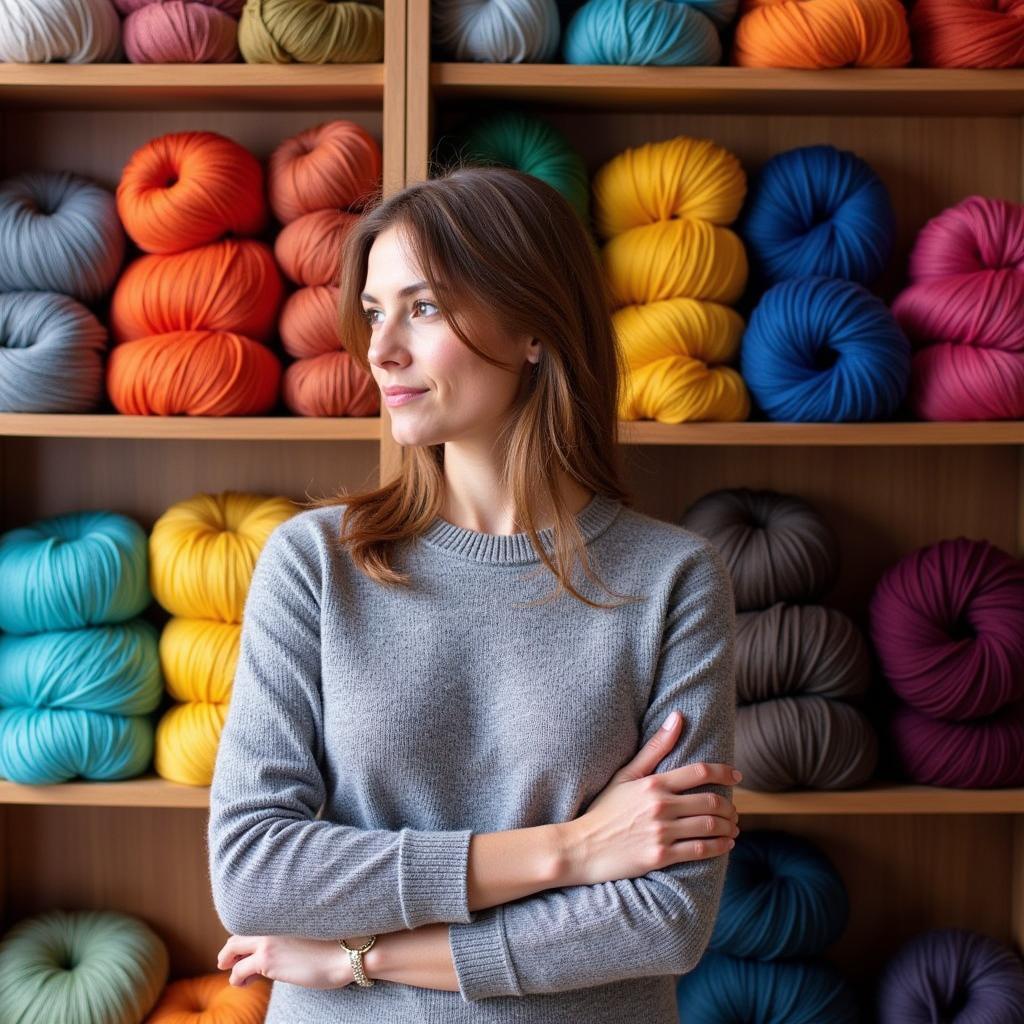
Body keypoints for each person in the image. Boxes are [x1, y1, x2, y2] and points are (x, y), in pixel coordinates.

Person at [208, 165, 740, 1023]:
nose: (380, 349)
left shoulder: (672, 578)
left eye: (422, 308)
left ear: (534, 326)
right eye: (375, 312)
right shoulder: (313, 563)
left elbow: (663, 921)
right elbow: (255, 875)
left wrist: (362, 959)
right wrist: (566, 851)